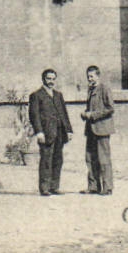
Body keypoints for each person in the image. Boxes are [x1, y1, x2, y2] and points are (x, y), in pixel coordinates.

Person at [27, 68, 73, 196]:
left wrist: (69, 130)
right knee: (46, 159)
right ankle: (44, 188)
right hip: (46, 133)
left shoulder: (58, 95)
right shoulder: (36, 95)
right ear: (43, 79)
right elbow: (34, 115)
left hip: (60, 132)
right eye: (49, 79)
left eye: (53, 79)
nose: (51, 81)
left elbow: (64, 113)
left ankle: (54, 186)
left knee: (58, 159)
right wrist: (39, 132)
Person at [80, 64, 115, 195]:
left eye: (92, 76)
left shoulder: (104, 89)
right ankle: (93, 186)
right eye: (88, 77)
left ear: (98, 76)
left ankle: (107, 187)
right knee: (90, 158)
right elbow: (91, 108)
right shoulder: (90, 89)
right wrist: (85, 114)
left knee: (103, 159)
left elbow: (110, 108)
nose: (89, 79)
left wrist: (92, 115)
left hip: (102, 129)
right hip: (90, 129)